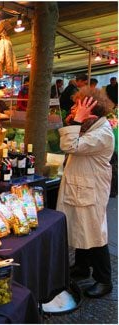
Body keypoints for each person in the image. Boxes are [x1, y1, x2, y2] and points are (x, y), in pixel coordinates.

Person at [57, 87, 115, 298]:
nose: (72, 108)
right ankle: (82, 268)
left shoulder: (102, 134)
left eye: (77, 105)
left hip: (91, 190)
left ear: (91, 109)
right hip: (82, 187)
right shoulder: (91, 127)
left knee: (94, 232)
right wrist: (77, 120)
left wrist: (76, 120)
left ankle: (104, 280)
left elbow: (69, 145)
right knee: (82, 227)